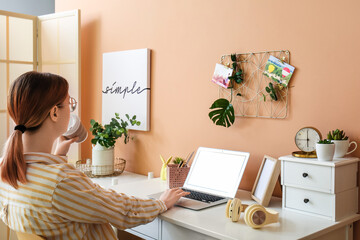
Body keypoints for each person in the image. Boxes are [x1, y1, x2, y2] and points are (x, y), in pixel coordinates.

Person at [0, 71, 189, 239]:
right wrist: (161, 203)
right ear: (55, 112)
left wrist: (57, 158)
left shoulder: (6, 169)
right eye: (69, 103)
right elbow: (122, 212)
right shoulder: (61, 181)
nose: (72, 109)